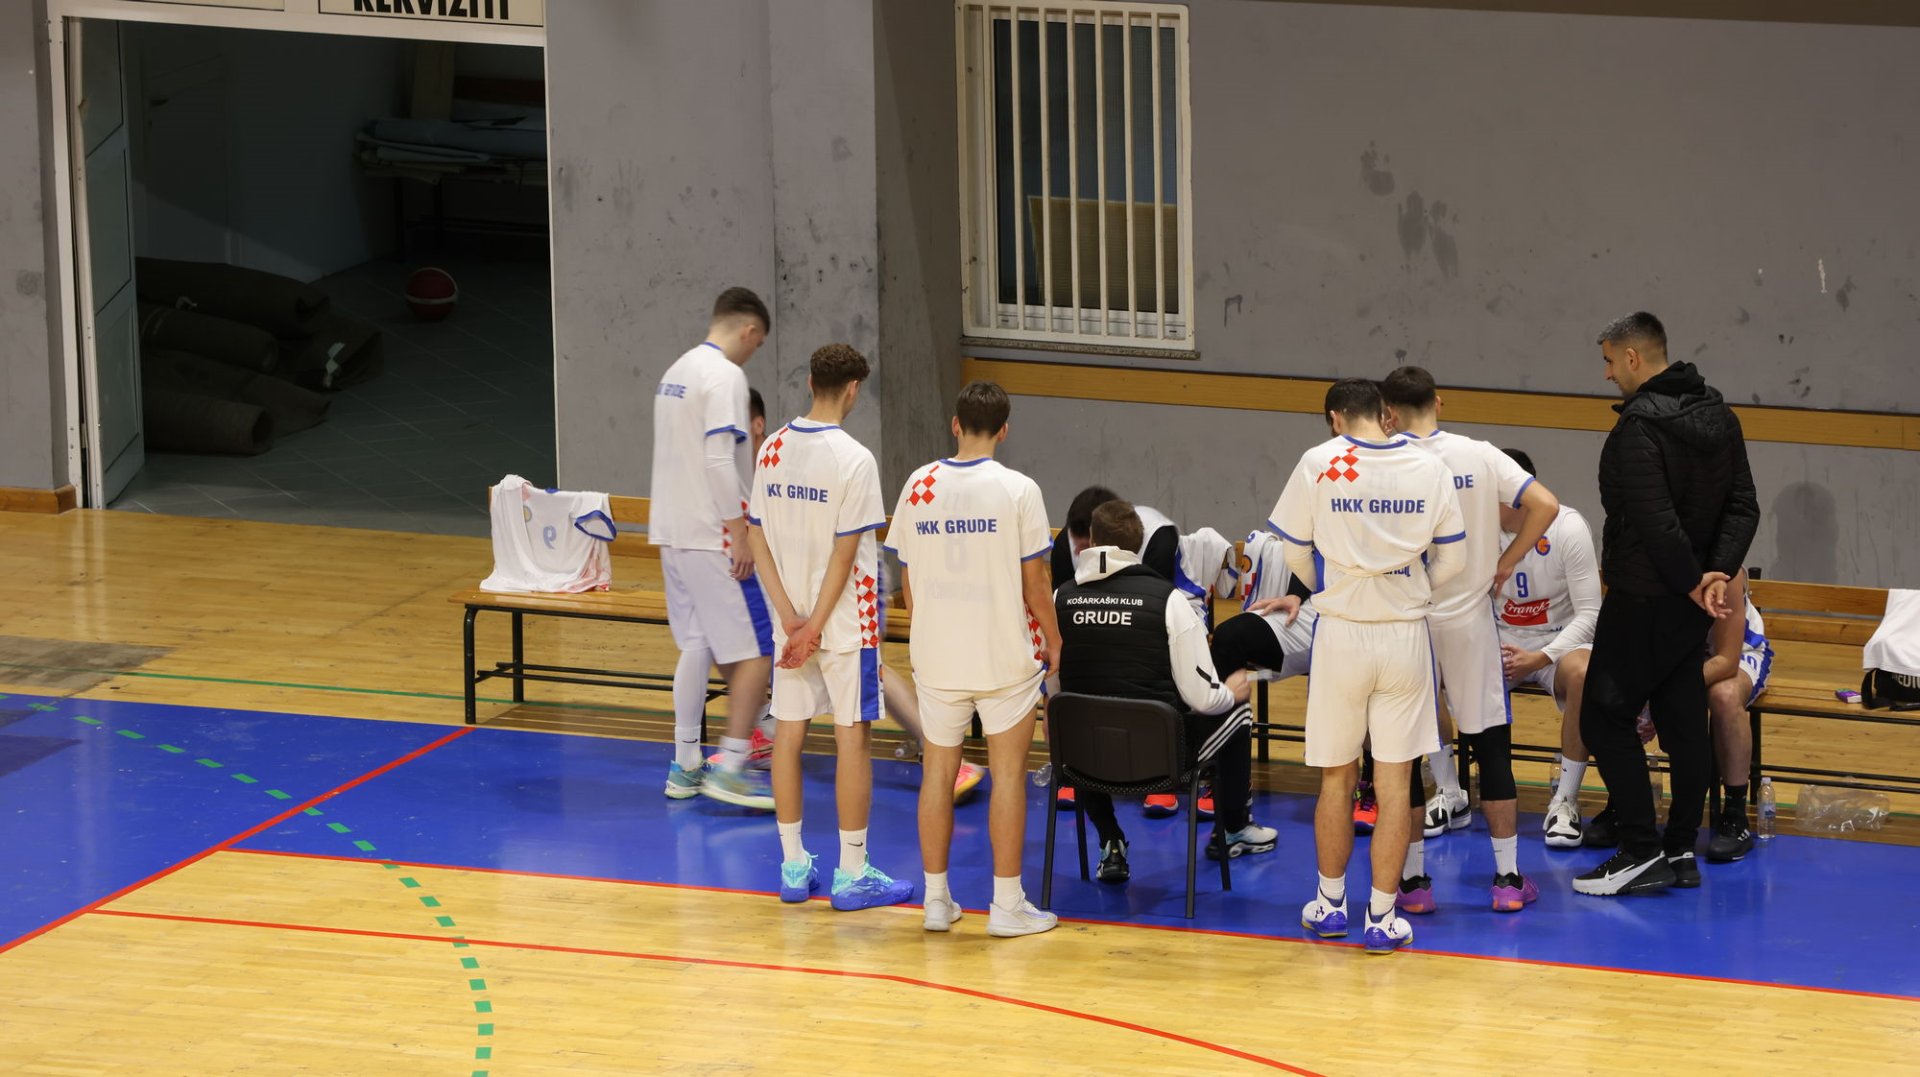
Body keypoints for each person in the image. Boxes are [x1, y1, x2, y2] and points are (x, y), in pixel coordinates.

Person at [1273, 378, 1465, 955]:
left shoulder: (1320, 462)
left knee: (1336, 777)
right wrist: (1413, 591)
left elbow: (1292, 549)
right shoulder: (1428, 465)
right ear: (1385, 413)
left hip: (1341, 634)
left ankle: (1330, 905)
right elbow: (1453, 558)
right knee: (1395, 781)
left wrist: (1330, 589)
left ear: (1335, 418)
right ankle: (1382, 917)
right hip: (1404, 635)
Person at [1574, 312, 1758, 896]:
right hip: (1689, 601)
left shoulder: (1639, 425)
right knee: (1681, 718)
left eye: (1609, 361)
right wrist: (1713, 578)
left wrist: (1692, 582)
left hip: (1644, 596)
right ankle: (1680, 850)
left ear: (1633, 357)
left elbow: (1655, 522)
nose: (1607, 374)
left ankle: (1638, 851)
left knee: (1603, 718)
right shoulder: (1720, 413)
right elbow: (1743, 507)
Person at [884, 380, 1064, 938]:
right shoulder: (1019, 489)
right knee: (1008, 776)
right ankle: (1006, 906)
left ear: (955, 424)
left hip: (938, 656)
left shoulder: (919, 483)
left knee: (937, 775)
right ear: (1004, 430)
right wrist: (1055, 639)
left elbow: (907, 581)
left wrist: (931, 630)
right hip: (1003, 655)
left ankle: (936, 902)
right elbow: (1036, 583)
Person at [1382, 367, 1559, 915]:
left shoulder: (1380, 459)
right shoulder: (1480, 454)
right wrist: (1505, 562)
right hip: (1468, 619)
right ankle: (1507, 879)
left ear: (1388, 413)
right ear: (1439, 402)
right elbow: (1546, 505)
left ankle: (1413, 884)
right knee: (1491, 746)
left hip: (1405, 620)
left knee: (1404, 753)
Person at [745, 344, 915, 912]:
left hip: (789, 622)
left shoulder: (771, 449)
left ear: (810, 381)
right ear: (853, 389)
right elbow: (846, 555)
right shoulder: (854, 459)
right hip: (844, 624)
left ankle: (793, 867)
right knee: (852, 739)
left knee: (788, 736)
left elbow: (756, 537)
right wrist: (815, 626)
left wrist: (789, 619)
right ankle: (851, 873)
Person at [1054, 501, 1273, 885]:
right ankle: (1234, 827)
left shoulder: (1060, 598)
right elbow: (1201, 698)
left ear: (1092, 540)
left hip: (1083, 762)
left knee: (1078, 725)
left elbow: (1055, 688)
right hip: (1159, 764)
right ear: (1139, 543)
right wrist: (1230, 692)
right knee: (1237, 711)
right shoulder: (1169, 601)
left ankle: (1110, 839)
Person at [652, 288, 775, 810]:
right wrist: (739, 531)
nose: (752, 354)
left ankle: (685, 766)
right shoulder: (725, 376)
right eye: (758, 344)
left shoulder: (675, 372)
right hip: (713, 535)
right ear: (749, 331)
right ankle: (732, 767)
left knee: (699, 643)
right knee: (759, 652)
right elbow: (719, 460)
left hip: (672, 532)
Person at [1488, 449, 1602, 849]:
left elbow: (1591, 614)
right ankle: (1450, 792)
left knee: (1585, 674)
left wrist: (1541, 657)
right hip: (1501, 641)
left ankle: (1565, 801)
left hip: (1560, 641)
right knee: (1433, 666)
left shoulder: (1568, 527)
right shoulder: (1477, 530)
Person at [1704, 569, 1772, 863]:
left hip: (1737, 651)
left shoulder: (1726, 571)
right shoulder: (1654, 556)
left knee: (1725, 695)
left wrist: (1668, 687)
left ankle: (1735, 814)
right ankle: (1621, 806)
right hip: (1682, 652)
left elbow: (1725, 662)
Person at [1049, 486, 1178, 587]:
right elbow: (1060, 604)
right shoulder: (1065, 543)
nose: (1077, 552)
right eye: (1076, 544)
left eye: (1086, 546)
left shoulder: (1158, 539)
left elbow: (1159, 602)